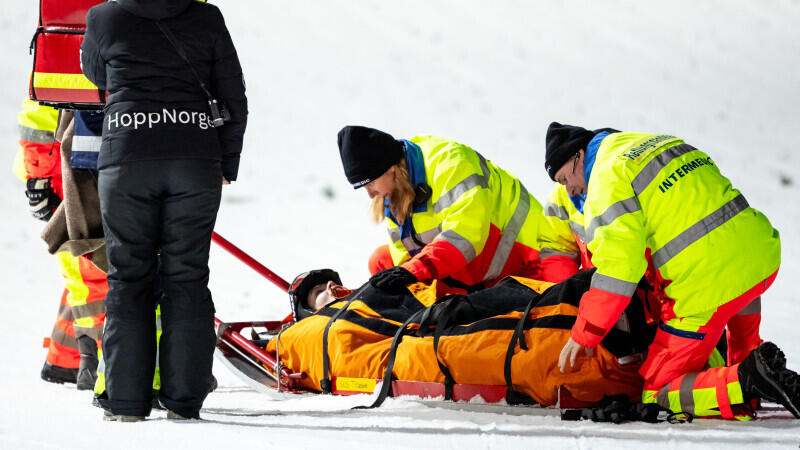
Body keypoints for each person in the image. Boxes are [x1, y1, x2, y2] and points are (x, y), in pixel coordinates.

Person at [544, 122, 799, 419]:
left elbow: (619, 268)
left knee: (660, 391)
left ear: (578, 155)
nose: (569, 189)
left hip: (708, 283)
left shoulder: (605, 178)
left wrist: (585, 332)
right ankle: (756, 373)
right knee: (742, 347)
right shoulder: (655, 144)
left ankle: (747, 381)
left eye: (565, 178)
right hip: (758, 258)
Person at [80, 0, 247, 421]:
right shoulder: (206, 17)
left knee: (128, 278)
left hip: (127, 155)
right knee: (187, 276)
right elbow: (234, 97)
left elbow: (94, 73)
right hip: (194, 157)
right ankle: (184, 402)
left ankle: (126, 404)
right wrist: (226, 163)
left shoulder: (104, 17)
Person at [337, 126, 554, 294]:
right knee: (381, 262)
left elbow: (465, 236)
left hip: (530, 262)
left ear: (390, 169)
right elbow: (403, 258)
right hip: (476, 271)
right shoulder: (392, 192)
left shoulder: (451, 164)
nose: (370, 194)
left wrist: (412, 272)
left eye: (370, 184)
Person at [14, 99, 108, 390]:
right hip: (65, 166)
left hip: (75, 157)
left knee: (86, 268)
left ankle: (66, 359)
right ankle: (96, 363)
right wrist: (38, 178)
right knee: (89, 272)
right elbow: (38, 118)